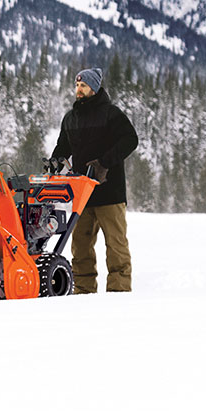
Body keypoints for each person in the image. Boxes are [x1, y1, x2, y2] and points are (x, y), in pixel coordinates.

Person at [51, 67, 139, 293]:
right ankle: (83, 292)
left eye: (83, 85)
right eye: (77, 85)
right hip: (82, 194)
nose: (78, 89)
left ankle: (119, 293)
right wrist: (54, 163)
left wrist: (104, 163)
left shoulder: (111, 114)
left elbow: (131, 139)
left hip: (110, 193)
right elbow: (63, 148)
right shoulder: (71, 118)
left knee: (116, 246)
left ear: (94, 88)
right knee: (80, 247)